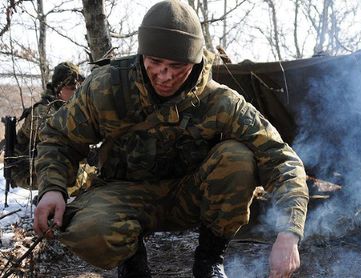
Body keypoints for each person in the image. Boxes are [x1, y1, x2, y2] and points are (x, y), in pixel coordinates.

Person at [33, 1, 309, 278]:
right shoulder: (106, 88)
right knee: (88, 230)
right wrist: (52, 188)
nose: (164, 76)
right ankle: (132, 261)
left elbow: (281, 159)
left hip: (189, 197)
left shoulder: (221, 102)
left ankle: (209, 260)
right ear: (143, 55)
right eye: (155, 63)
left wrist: (289, 232)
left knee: (238, 158)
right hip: (124, 195)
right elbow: (59, 138)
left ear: (196, 61)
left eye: (177, 66)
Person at [11, 62, 84, 191]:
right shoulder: (43, 112)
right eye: (72, 87)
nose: (77, 90)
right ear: (58, 88)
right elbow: (58, 143)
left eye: (79, 86)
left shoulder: (66, 107)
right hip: (24, 169)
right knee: (74, 171)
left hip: (43, 161)